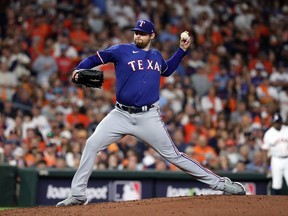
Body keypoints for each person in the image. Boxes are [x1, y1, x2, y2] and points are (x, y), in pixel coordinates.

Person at [56, 19, 246, 207]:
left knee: (174, 155)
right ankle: (78, 194)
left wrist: (182, 50)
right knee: (91, 144)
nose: (138, 35)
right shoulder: (121, 50)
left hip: (148, 116)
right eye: (136, 32)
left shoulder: (156, 56)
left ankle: (221, 184)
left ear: (152, 35)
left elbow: (167, 70)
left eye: (142, 33)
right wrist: (79, 69)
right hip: (120, 114)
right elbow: (95, 59)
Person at [261, 113, 288, 195]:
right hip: (276, 160)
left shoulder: (286, 129)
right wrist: (265, 165)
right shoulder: (268, 133)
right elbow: (265, 150)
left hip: (287, 159)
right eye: (276, 122)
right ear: (272, 122)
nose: (277, 124)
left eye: (279, 122)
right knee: (276, 184)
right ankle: (276, 205)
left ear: (281, 122)